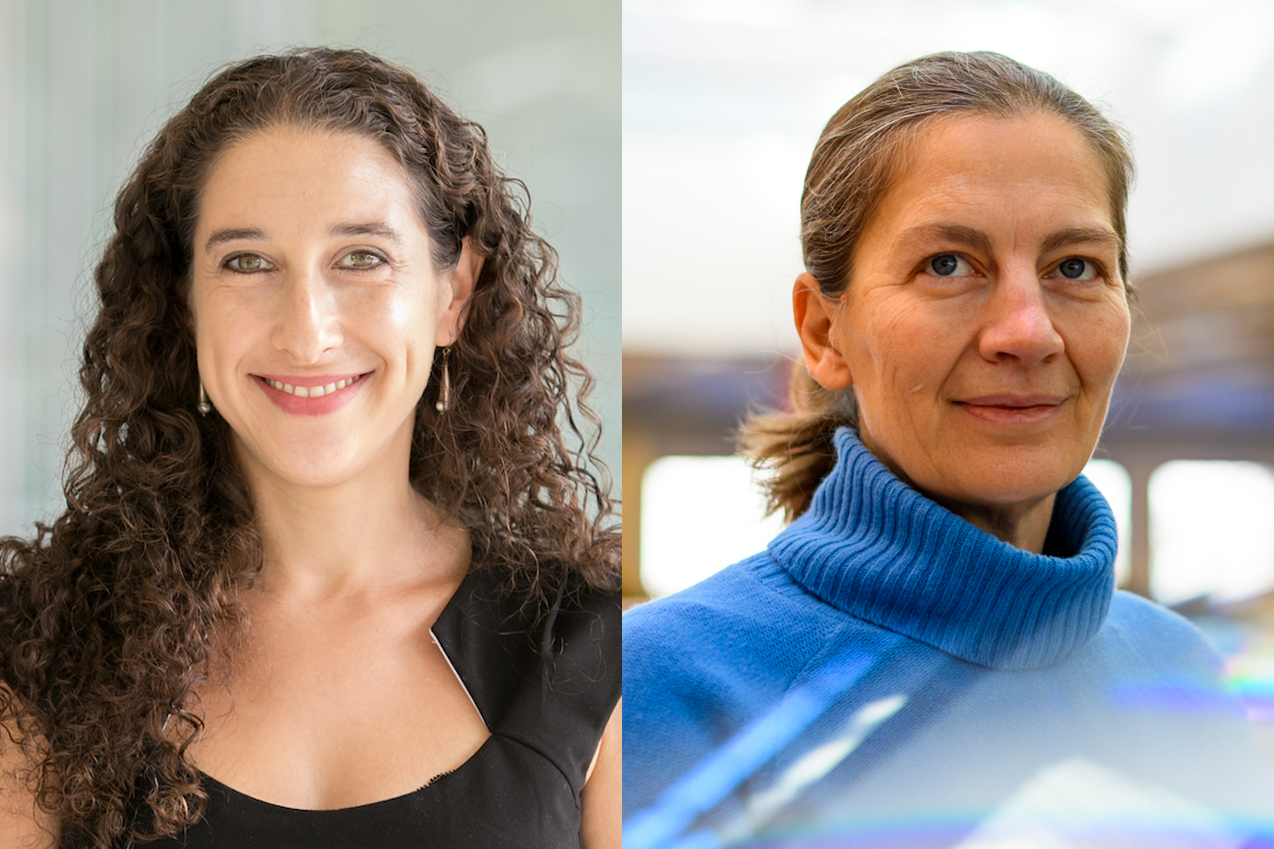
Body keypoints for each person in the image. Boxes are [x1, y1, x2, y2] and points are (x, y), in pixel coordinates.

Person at [624, 51, 1269, 848]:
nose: (1027, 332)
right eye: (948, 265)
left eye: (1075, 266)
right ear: (825, 332)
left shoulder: (1180, 668)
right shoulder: (657, 685)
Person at [0, 48, 620, 849]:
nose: (307, 330)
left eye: (361, 257)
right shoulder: (37, 652)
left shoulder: (595, 649)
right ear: (184, 303)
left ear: (453, 292)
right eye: (247, 262)